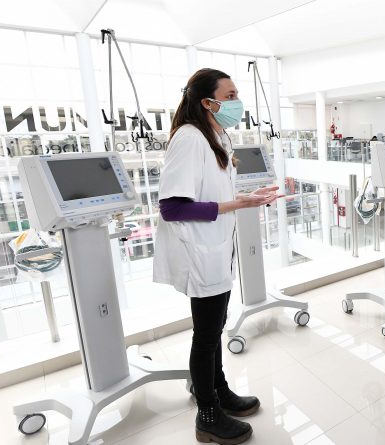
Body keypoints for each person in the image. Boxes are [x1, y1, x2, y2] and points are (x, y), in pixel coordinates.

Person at [153, 68, 283, 445]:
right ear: (207, 102)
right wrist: (235, 205)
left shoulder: (215, 136)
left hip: (216, 247)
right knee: (207, 334)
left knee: (216, 326)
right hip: (200, 251)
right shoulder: (189, 139)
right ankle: (207, 415)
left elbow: (212, 193)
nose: (236, 102)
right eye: (230, 96)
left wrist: (246, 198)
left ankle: (219, 390)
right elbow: (173, 208)